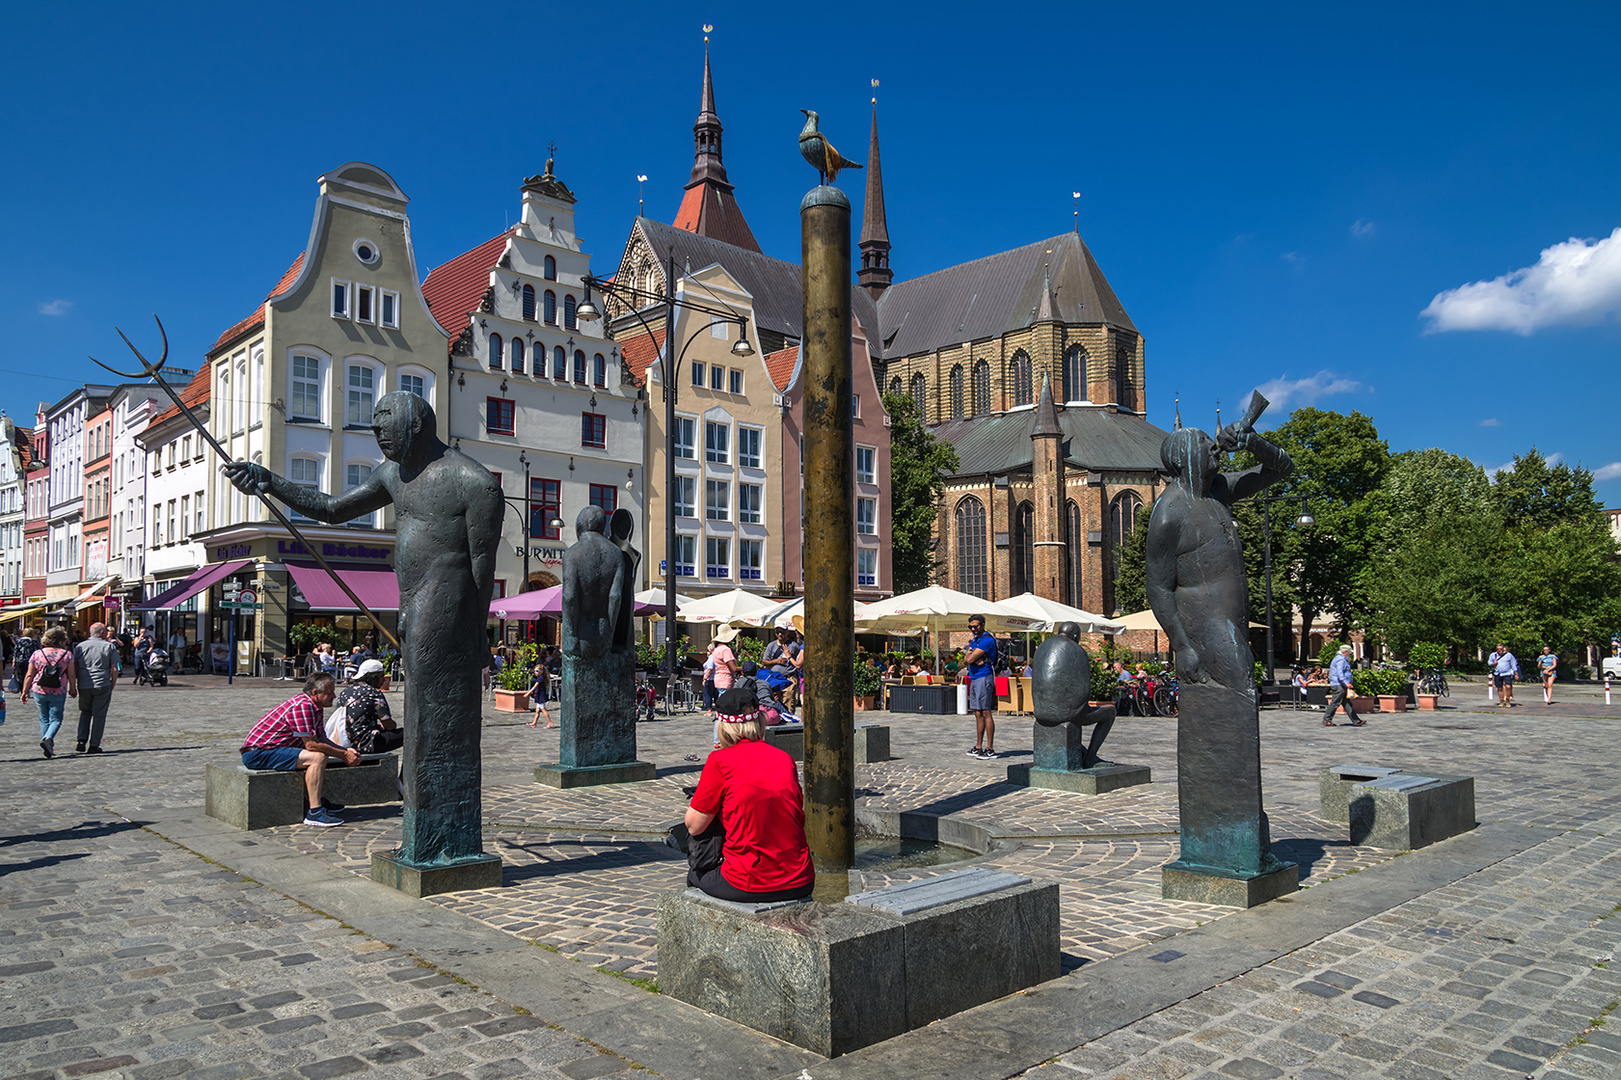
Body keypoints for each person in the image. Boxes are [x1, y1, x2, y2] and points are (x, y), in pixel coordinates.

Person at [665, 685, 814, 903]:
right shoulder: (785, 759)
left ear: (723, 727)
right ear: (759, 721)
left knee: (696, 874)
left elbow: (693, 825)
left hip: (748, 880)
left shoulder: (720, 761)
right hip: (801, 879)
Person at [240, 672, 357, 826]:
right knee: (317, 757)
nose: (334, 696)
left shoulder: (316, 706)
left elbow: (321, 738)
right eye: (330, 693)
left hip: (273, 749)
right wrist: (343, 755)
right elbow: (311, 745)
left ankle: (314, 800)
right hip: (258, 753)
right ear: (315, 693)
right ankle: (314, 812)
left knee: (322, 752)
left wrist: (346, 751)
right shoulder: (303, 706)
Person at [21, 626, 77, 758]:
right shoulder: (67, 655)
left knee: (44, 718)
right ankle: (48, 739)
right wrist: (73, 688)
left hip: (39, 689)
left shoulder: (37, 654)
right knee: (56, 719)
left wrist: (25, 691)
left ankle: (48, 745)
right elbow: (72, 674)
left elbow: (29, 674)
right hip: (59, 689)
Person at [72, 622, 121, 754]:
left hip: (84, 683)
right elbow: (116, 667)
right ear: (101, 633)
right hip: (102, 683)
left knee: (85, 712)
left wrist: (74, 683)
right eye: (105, 631)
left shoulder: (80, 647)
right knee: (99, 715)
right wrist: (113, 683)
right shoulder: (109, 646)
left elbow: (74, 666)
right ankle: (94, 745)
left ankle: (81, 740)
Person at [335, 659, 403, 753]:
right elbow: (389, 725)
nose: (384, 679)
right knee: (407, 734)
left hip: (344, 741)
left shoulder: (345, 692)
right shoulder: (374, 693)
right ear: (373, 677)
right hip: (365, 743)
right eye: (381, 676)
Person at [963, 615, 998, 758]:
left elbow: (969, 658)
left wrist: (971, 657)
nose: (973, 629)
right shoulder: (975, 640)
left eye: (975, 626)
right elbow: (966, 660)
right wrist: (970, 658)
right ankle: (978, 746)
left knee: (986, 712)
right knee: (977, 712)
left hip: (984, 677)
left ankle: (990, 748)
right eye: (970, 626)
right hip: (974, 677)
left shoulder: (986, 639)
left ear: (982, 625)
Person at [761, 626, 803, 710]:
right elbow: (764, 662)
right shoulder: (771, 646)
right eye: (777, 632)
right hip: (775, 679)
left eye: (782, 632)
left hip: (789, 678)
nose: (780, 634)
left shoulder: (794, 646)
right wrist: (777, 661)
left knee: (789, 704)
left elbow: (799, 661)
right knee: (774, 705)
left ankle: (789, 721)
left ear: (787, 632)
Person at [1324, 644, 1363, 727]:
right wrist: (1346, 682)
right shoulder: (1340, 660)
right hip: (1339, 684)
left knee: (1347, 703)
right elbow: (1340, 673)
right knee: (1335, 702)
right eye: (1350, 653)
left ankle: (1356, 721)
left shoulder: (1343, 659)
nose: (1351, 655)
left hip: (1341, 684)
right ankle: (1327, 719)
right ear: (1345, 652)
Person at [527, 660, 554, 728]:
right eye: (535, 671)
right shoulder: (540, 678)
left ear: (541, 672)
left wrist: (529, 692)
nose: (535, 673)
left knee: (543, 709)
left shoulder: (540, 678)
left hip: (541, 696)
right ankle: (534, 723)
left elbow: (535, 686)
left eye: (537, 671)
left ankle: (550, 722)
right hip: (539, 695)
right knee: (537, 710)